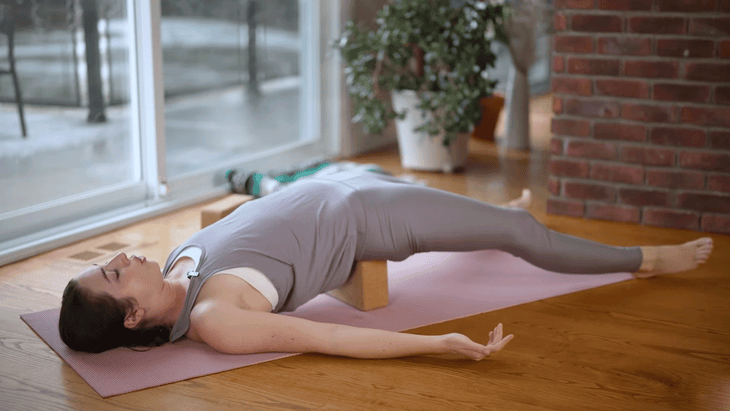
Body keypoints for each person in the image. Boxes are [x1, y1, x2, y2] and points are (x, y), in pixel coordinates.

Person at [59, 169, 714, 359]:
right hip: (370, 216)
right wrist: (437, 344)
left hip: (342, 179)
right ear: (136, 312)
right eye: (114, 274)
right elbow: (332, 336)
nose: (121, 258)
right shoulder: (216, 318)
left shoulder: (178, 259)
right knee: (516, 230)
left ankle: (491, 208)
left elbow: (262, 221)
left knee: (483, 212)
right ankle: (644, 257)